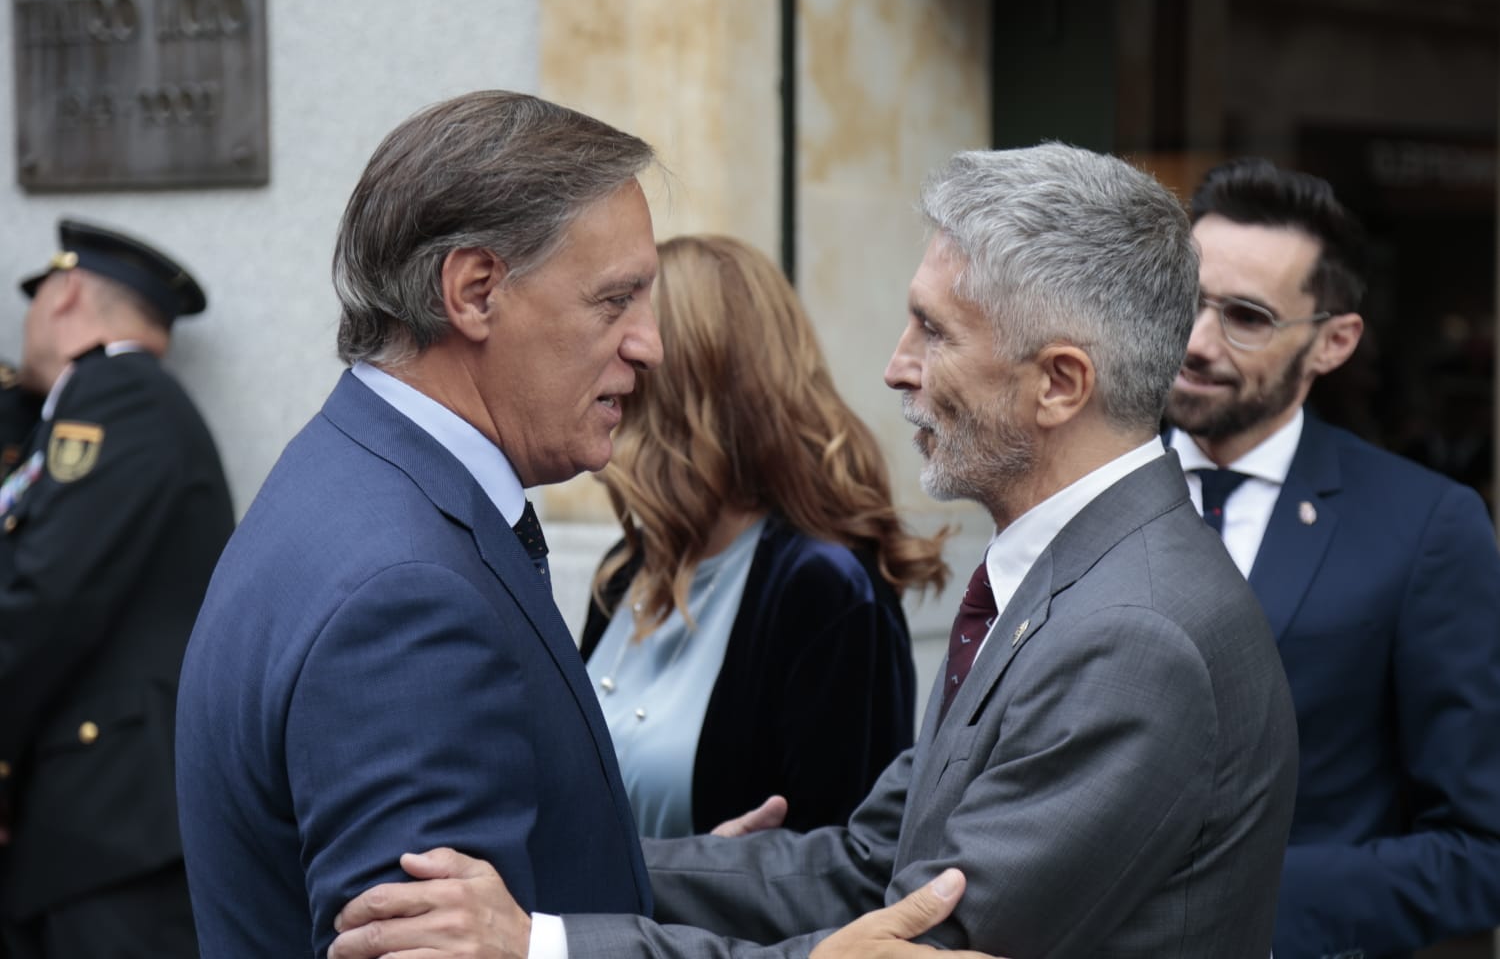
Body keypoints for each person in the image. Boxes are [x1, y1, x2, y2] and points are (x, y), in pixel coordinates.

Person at [329, 142, 1301, 959]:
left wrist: (540, 944)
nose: (895, 366)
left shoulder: (1134, 636)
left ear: (1059, 384)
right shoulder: (1069, 580)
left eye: (933, 331)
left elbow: (918, 942)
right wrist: (553, 870)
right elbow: (868, 863)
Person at [174, 90, 670, 958]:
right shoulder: (409, 595)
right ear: (475, 292)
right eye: (614, 300)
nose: (648, 343)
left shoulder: (348, 473)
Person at [1164, 157, 1500, 959]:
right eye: (1184, 301)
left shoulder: (1425, 527)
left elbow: (1479, 849)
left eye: (1246, 317)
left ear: (1334, 342)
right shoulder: (1079, 480)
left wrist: (1231, 911)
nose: (1197, 342)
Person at [581, 233, 947, 837]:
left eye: (632, 326)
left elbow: (847, 860)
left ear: (686, 375)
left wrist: (700, 874)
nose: (617, 356)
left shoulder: (824, 587)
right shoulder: (628, 567)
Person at [0, 219, 234, 959]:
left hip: (112, 827)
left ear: (66, 294)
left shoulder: (118, 395)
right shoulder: (110, 403)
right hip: (95, 826)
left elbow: (44, 596)